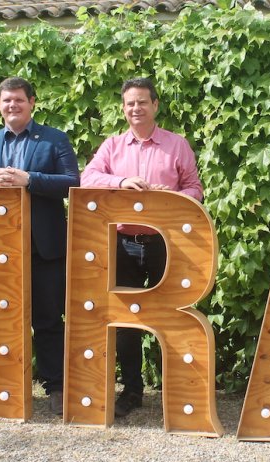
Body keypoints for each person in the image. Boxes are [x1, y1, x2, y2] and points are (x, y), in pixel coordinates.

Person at [0, 77, 80, 416]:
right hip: (0, 251)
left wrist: (30, 180)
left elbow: (73, 184)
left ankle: (56, 388)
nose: (13, 106)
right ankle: (4, 388)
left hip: (45, 249)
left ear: (32, 102)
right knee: (2, 319)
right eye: (7, 100)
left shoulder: (55, 140)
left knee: (50, 319)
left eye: (19, 100)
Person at [81, 77, 203, 417]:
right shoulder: (112, 146)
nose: (136, 108)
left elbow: (195, 188)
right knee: (126, 322)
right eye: (130, 103)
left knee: (173, 318)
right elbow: (87, 178)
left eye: (142, 102)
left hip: (166, 243)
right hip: (123, 245)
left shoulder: (177, 145)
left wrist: (172, 199)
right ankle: (132, 390)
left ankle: (175, 391)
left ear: (155, 105)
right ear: (124, 108)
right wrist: (120, 182)